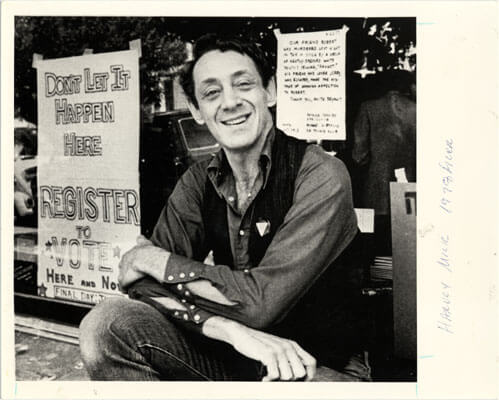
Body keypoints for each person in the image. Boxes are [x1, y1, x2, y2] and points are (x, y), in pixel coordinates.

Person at [79, 33, 370, 382]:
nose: (229, 102)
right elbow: (142, 288)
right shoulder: (198, 181)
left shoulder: (320, 173)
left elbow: (261, 303)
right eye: (212, 92)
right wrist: (228, 330)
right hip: (236, 352)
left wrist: (149, 258)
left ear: (271, 91)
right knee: (107, 324)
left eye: (243, 84)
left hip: (317, 364)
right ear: (196, 110)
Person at [352, 70, 416, 255]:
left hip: (376, 189)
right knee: (406, 248)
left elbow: (359, 154)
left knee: (375, 246)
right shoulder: (417, 110)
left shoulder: (368, 108)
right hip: (409, 190)